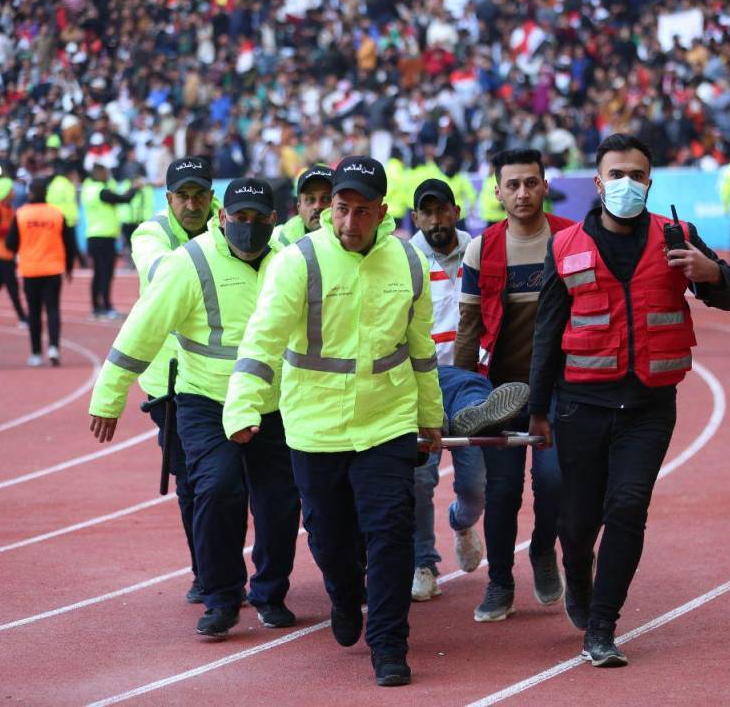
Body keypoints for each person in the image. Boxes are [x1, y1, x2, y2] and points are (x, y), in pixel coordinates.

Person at [222, 156, 444, 687]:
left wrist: (430, 416)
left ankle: (389, 645)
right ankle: (345, 594)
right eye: (340, 209)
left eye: (361, 212)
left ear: (383, 212)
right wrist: (242, 404)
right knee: (328, 536)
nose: (347, 223)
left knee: (390, 530)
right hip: (314, 426)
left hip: (385, 421)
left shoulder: (408, 265)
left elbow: (420, 352)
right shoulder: (299, 261)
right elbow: (262, 340)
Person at [528, 132, 730, 667]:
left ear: (651, 182)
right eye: (617, 175)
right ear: (598, 183)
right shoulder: (566, 245)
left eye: (638, 175)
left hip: (648, 406)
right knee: (578, 523)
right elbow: (547, 331)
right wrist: (537, 409)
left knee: (627, 508)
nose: (628, 184)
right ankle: (577, 574)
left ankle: (601, 628)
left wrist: (712, 273)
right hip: (581, 404)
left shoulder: (679, 236)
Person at [88, 178, 301, 638]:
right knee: (218, 488)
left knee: (280, 502)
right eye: (238, 218)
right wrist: (109, 394)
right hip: (205, 400)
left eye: (257, 220)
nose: (247, 228)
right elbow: (142, 330)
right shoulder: (190, 263)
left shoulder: (289, 263)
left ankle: (269, 592)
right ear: (221, 218)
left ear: (273, 221)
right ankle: (222, 596)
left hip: (272, 403)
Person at [455, 148, 575, 622]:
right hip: (498, 393)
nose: (522, 193)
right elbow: (467, 328)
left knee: (555, 481)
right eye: (513, 185)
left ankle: (543, 549)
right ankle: (499, 582)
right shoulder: (481, 248)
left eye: (531, 183)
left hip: (560, 389)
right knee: (502, 494)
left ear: (545, 186)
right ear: (498, 193)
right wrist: (462, 394)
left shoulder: (571, 238)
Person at [407, 178, 529, 602]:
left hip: (469, 383)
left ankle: (462, 521)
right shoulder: (404, 259)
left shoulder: (480, 251)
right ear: (415, 217)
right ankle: (423, 561)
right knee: (419, 481)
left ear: (455, 211)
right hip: (419, 382)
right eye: (428, 212)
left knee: (476, 485)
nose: (437, 219)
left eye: (443, 210)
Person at [130, 156, 220, 604]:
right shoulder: (151, 234)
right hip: (170, 386)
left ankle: (226, 570)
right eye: (182, 196)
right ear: (168, 200)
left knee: (236, 482)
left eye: (199, 195)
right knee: (194, 483)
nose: (191, 204)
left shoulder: (227, 227)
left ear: (211, 196)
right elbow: (162, 272)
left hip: (225, 376)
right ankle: (206, 572)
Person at [5, 178, 76, 366]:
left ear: (29, 193)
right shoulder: (56, 214)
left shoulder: (21, 214)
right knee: (53, 309)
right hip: (53, 269)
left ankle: (36, 353)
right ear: (46, 193)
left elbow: (10, 243)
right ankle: (53, 348)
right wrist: (69, 268)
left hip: (30, 270)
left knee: (34, 312)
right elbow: (69, 244)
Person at [81, 162, 140, 319]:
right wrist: (134, 188)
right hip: (104, 237)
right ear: (99, 173)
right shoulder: (102, 192)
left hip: (92, 236)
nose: (108, 176)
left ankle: (96, 308)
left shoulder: (88, 189)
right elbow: (124, 199)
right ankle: (106, 307)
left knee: (98, 274)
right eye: (106, 173)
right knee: (106, 274)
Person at [0, 176, 28, 326]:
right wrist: (11, 231)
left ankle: (23, 317)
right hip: (0, 253)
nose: (13, 191)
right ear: (4, 192)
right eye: (11, 189)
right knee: (12, 287)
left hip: (8, 253)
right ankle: (23, 317)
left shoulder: (9, 207)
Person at [273, 164, 333, 246]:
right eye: (310, 199)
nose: (317, 206)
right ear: (299, 208)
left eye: (326, 199)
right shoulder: (283, 243)